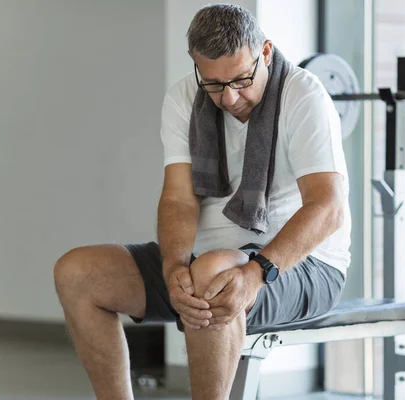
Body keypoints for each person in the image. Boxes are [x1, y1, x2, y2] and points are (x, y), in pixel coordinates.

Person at [53, 4, 351, 400]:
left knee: (212, 274)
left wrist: (257, 272)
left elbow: (327, 207)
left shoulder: (303, 95)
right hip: (206, 259)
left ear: (265, 52)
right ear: (195, 63)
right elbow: (178, 198)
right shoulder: (183, 98)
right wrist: (174, 265)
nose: (229, 98)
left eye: (242, 80)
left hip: (300, 265)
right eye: (213, 83)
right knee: (77, 272)